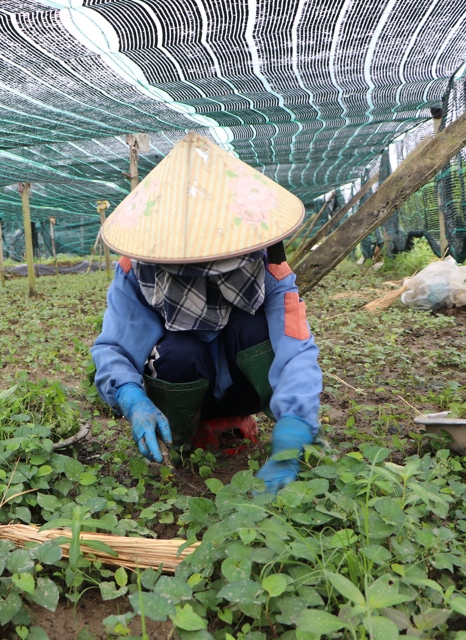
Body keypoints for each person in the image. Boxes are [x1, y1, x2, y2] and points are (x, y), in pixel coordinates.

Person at [90, 132, 323, 494]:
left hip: (245, 385)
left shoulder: (269, 265)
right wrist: (129, 396)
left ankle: (268, 420)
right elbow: (115, 348)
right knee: (179, 349)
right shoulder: (136, 271)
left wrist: (297, 417)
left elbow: (295, 347)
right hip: (180, 382)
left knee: (251, 325)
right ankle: (179, 437)